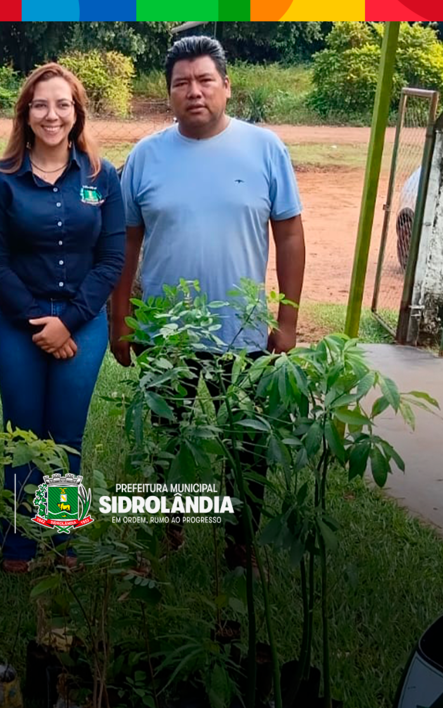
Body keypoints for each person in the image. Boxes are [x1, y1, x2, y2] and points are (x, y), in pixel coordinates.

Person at [112, 36, 306, 569]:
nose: (193, 92)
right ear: (168, 93)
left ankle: (240, 544)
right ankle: (166, 528)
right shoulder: (146, 156)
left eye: (204, 80)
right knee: (165, 437)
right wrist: (121, 319)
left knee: (245, 444)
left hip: (243, 330)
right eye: (181, 83)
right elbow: (126, 242)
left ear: (226, 86)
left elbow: (289, 235)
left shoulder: (266, 148)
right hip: (164, 332)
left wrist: (287, 320)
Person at [0, 63, 126, 574]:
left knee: (66, 436)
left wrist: (71, 320)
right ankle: (17, 543)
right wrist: (41, 320)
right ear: (26, 112)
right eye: (41, 104)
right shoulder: (2, 179)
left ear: (77, 112)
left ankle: (64, 540)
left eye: (63, 104)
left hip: (83, 323)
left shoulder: (101, 175)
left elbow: (111, 258)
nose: (52, 114)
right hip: (19, 323)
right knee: (21, 432)